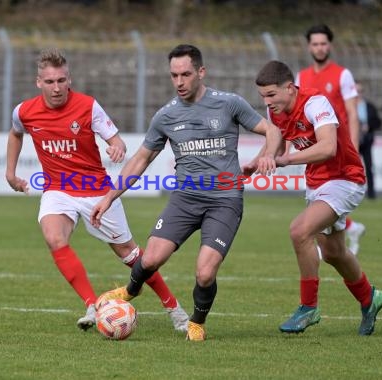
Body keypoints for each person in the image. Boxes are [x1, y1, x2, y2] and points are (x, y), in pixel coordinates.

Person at [90, 44, 282, 341]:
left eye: (186, 74)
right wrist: (108, 197)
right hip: (185, 199)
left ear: (201, 72)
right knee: (151, 259)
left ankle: (196, 321)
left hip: (225, 200)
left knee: (205, 273)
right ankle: (130, 289)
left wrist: (265, 156)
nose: (179, 82)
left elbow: (273, 131)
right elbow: (140, 159)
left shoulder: (228, 103)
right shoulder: (166, 116)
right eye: (173, 75)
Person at [5, 48, 189, 333]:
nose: (57, 88)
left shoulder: (88, 106)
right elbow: (16, 133)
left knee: (131, 255)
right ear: (38, 82)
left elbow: (117, 141)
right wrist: (10, 172)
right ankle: (92, 304)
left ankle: (174, 308)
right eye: (50, 82)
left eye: (61, 80)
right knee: (54, 238)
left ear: (70, 80)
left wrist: (116, 146)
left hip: (96, 191)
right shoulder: (24, 111)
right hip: (57, 190)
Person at [254, 60, 382, 336]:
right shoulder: (276, 110)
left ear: (289, 88)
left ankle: (308, 307)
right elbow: (276, 141)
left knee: (299, 231)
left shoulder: (316, 104)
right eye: (263, 97)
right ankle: (369, 298)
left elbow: (328, 147)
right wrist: (259, 161)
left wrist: (286, 159)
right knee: (333, 253)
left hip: (345, 179)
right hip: (317, 183)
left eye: (271, 95)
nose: (267, 102)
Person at [297, 24, 365, 254]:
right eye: (315, 44)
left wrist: (353, 147)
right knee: (322, 198)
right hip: (315, 152)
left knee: (332, 196)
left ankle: (337, 239)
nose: (319, 48)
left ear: (330, 45)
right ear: (309, 47)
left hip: (339, 149)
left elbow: (352, 113)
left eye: (323, 43)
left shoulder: (342, 74)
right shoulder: (302, 77)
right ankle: (348, 231)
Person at [356, 81, 382, 199]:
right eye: (355, 91)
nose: (358, 94)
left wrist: (368, 126)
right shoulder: (348, 106)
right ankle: (351, 193)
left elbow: (378, 122)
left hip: (366, 141)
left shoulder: (369, 106)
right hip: (353, 141)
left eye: (360, 91)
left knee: (368, 167)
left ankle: (371, 194)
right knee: (352, 169)